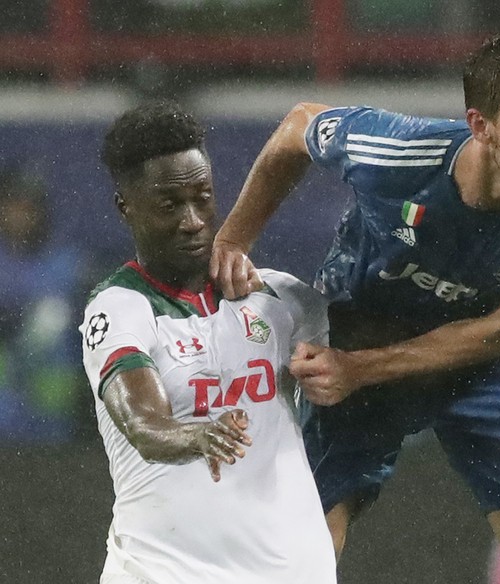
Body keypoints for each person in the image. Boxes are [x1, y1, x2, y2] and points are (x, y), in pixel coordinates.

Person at [211, 27, 500, 584]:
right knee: (300, 549)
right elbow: (297, 126)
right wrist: (233, 240)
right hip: (364, 326)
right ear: (481, 126)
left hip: (492, 356)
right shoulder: (395, 155)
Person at [81, 100, 336, 584]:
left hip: (291, 571)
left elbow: (353, 374)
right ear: (125, 207)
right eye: (169, 205)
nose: (193, 220)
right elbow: (144, 424)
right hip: (163, 572)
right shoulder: (119, 308)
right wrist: (195, 434)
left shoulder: (280, 297)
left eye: (202, 197)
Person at [0, 166, 84, 440]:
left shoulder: (67, 266)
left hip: (53, 417)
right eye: (13, 207)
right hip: (5, 411)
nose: (21, 216)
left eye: (28, 207)